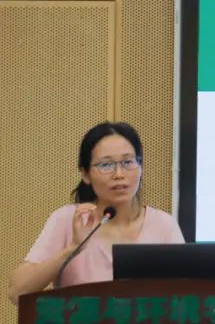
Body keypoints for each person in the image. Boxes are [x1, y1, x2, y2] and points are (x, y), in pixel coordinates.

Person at [7, 122, 185, 303]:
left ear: (141, 167)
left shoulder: (164, 225)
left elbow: (186, 297)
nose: (119, 174)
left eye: (127, 162)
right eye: (106, 165)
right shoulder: (68, 220)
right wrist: (72, 248)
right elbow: (17, 292)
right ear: (85, 174)